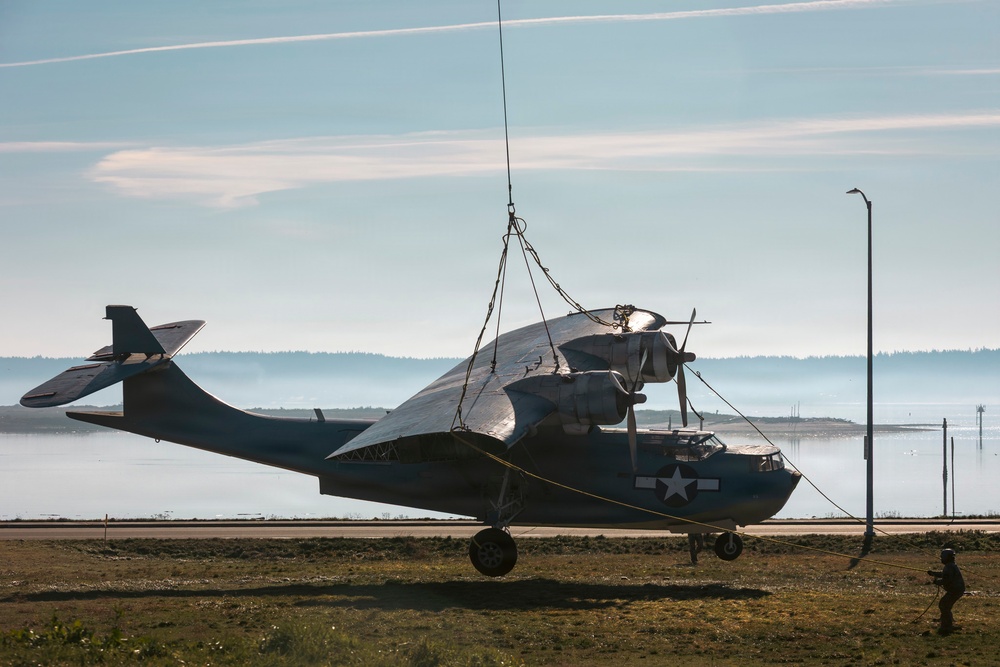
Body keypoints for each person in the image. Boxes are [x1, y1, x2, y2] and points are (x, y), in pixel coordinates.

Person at [927, 548, 965, 634]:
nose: (941, 559)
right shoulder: (951, 566)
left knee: (944, 605)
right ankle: (947, 621)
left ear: (947, 557)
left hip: (955, 591)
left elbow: (947, 579)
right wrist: (934, 573)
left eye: (942, 557)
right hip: (956, 590)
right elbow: (944, 574)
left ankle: (947, 626)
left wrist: (937, 582)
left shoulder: (949, 567)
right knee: (946, 605)